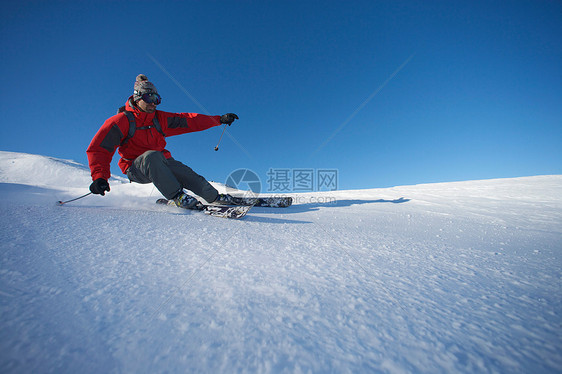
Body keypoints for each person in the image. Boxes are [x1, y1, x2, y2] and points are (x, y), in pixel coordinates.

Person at [87, 74, 239, 209]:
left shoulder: (159, 119)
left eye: (157, 99)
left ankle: (214, 197)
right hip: (136, 168)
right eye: (149, 98)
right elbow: (100, 149)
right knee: (152, 156)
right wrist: (100, 177)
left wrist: (219, 119)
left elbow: (189, 120)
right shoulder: (121, 121)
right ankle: (177, 197)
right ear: (137, 98)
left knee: (186, 173)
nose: (154, 103)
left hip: (162, 162)